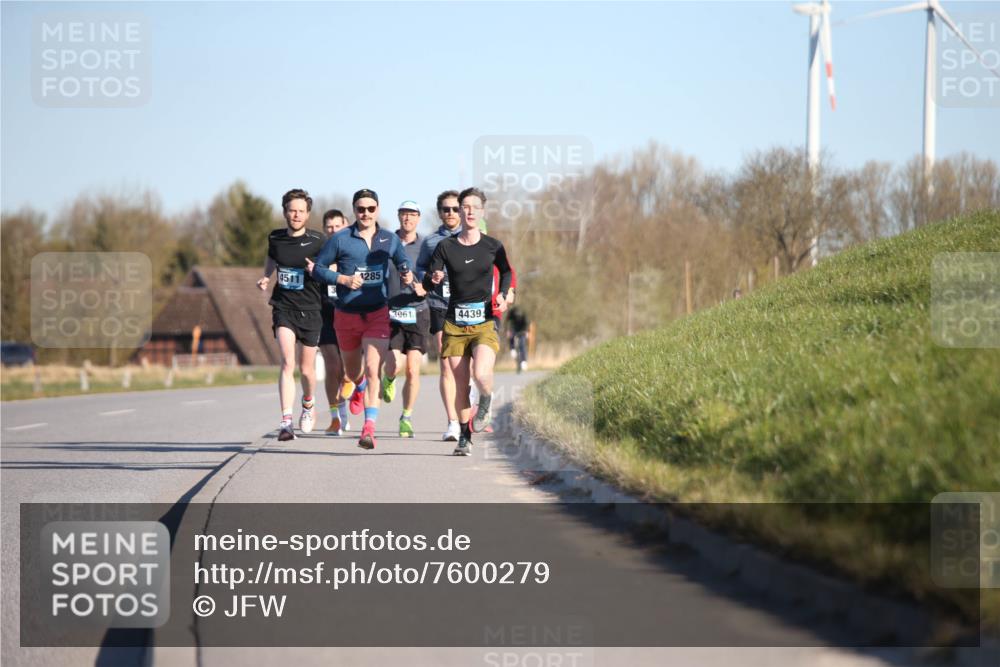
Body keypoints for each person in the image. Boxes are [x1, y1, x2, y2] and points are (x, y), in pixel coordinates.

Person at [308, 188, 413, 450]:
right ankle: (359, 386)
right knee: (354, 373)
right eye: (360, 209)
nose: (365, 213)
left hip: (377, 312)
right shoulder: (341, 239)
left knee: (373, 369)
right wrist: (342, 279)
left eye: (371, 208)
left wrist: (406, 274)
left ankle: (369, 429)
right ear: (354, 211)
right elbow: (318, 270)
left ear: (378, 209)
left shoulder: (389, 238)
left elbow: (402, 262)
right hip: (346, 315)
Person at [424, 187, 512, 456]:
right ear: (460, 211)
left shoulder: (492, 246)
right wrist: (433, 279)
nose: (470, 210)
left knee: (481, 374)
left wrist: (505, 294)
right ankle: (464, 435)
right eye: (465, 206)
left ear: (482, 211)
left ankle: (486, 399)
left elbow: (507, 271)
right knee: (460, 384)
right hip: (454, 323)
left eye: (475, 206)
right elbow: (429, 279)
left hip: (484, 320)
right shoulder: (445, 246)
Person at [257, 188, 325, 442]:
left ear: (308, 214)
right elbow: (272, 259)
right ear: (285, 211)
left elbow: (331, 268)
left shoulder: (318, 241)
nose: (295, 215)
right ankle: (286, 422)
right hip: (284, 306)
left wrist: (317, 270)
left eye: (300, 211)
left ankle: (308, 405)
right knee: (288, 363)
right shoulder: (275, 238)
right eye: (291, 210)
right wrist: (266, 277)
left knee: (307, 370)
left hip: (311, 309)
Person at [415, 190, 463, 442]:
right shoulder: (431, 241)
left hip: (468, 307)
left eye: (456, 209)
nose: (451, 213)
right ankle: (453, 422)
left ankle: (470, 398)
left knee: (467, 367)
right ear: (440, 212)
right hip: (439, 304)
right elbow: (420, 266)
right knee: (446, 363)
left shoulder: (474, 238)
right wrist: (430, 276)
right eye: (446, 209)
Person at [381, 200, 430, 438]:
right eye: (404, 214)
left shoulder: (427, 246)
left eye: (412, 214)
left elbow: (435, 275)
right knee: (394, 363)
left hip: (418, 312)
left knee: (412, 369)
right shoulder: (387, 242)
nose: (408, 218)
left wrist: (425, 288)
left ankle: (406, 416)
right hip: (391, 312)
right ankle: (388, 377)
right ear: (398, 216)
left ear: (418, 218)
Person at [319, 209, 352, 435]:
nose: (333, 230)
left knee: (347, 370)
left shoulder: (352, 253)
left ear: (345, 225)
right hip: (324, 316)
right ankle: (335, 418)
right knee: (332, 367)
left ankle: (345, 410)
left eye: (337, 226)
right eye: (329, 226)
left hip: (349, 315)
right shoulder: (320, 255)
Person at [505, 305, 529, 373]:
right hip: (514, 329)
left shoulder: (524, 314)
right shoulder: (512, 312)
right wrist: (507, 331)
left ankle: (524, 361)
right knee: (511, 337)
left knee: (522, 345)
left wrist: (527, 332)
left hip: (522, 330)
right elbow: (507, 322)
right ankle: (512, 348)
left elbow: (527, 323)